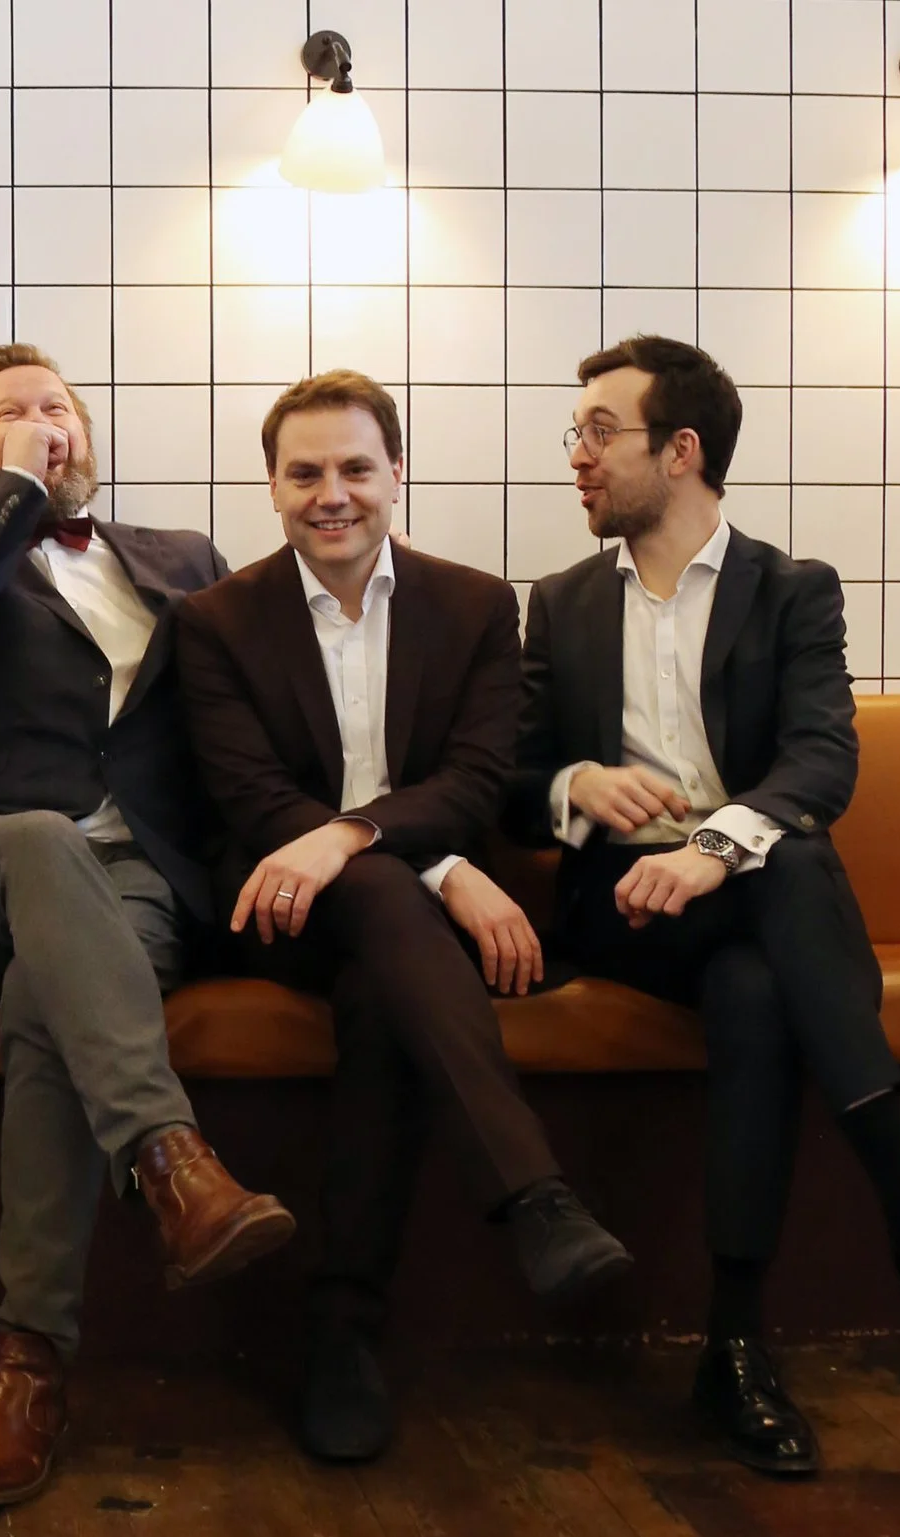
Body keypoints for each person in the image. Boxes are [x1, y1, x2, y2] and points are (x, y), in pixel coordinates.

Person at [511, 334, 900, 1474]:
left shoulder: (791, 590)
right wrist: (578, 784)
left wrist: (714, 850)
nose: (577, 455)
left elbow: (822, 760)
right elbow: (508, 779)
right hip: (619, 912)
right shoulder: (560, 604)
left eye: (601, 432)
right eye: (577, 433)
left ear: (681, 451)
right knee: (797, 875)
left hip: (739, 897)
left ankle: (734, 1348)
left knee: (758, 983)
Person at [173, 372, 631, 1463]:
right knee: (381, 893)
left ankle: (342, 1331)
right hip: (274, 905)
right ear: (272, 486)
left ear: (396, 474)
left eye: (354, 468)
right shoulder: (215, 620)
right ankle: (532, 1194)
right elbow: (252, 799)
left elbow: (474, 780)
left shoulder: (473, 605)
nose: (331, 494)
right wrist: (437, 871)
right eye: (305, 473)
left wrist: (363, 840)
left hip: (390, 926)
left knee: (384, 990)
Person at [0, 342, 296, 1508]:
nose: (44, 420)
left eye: (58, 407)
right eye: (12, 414)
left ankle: (28, 1365)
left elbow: (253, 712)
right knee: (44, 841)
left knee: (43, 1002)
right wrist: (13, 493)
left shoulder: (183, 560)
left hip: (137, 881)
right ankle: (170, 1158)